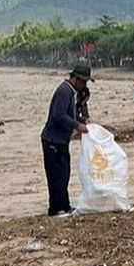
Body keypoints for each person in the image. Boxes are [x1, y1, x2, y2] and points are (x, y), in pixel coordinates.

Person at [41, 63, 91, 217]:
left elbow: (71, 114)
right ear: (75, 78)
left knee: (64, 173)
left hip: (60, 141)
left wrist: (83, 120)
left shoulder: (70, 92)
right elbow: (59, 115)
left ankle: (63, 205)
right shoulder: (64, 91)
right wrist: (77, 125)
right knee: (57, 174)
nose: (84, 85)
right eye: (83, 82)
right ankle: (56, 208)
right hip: (53, 140)